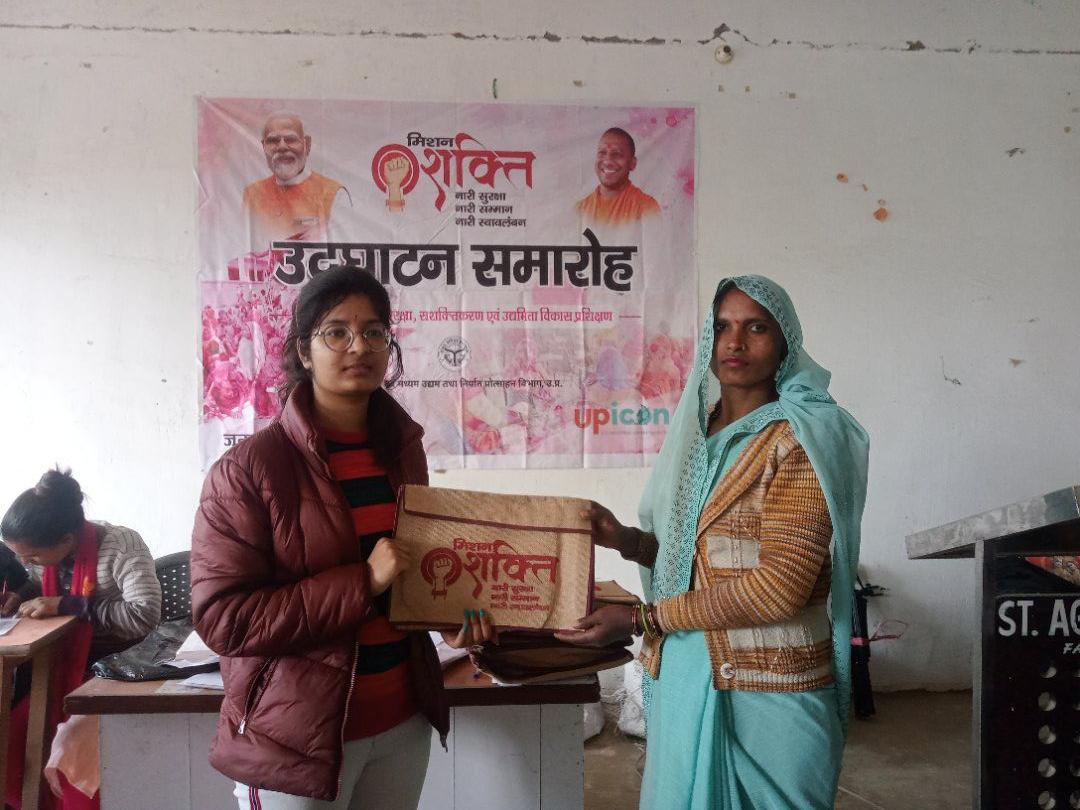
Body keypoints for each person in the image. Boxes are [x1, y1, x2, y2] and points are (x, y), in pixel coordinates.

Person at [556, 275, 870, 809]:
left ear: (785, 341)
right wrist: (627, 540)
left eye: (756, 327)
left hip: (769, 690)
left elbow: (779, 588)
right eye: (722, 327)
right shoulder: (697, 433)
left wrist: (641, 619)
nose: (735, 342)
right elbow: (694, 557)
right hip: (688, 673)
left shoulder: (802, 437)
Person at [191, 266, 495, 810]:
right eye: (336, 332)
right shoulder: (248, 470)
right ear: (303, 351)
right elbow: (223, 619)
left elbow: (408, 571)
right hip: (293, 741)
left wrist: (443, 616)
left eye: (374, 332)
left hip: (402, 722)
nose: (359, 346)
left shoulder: (402, 451)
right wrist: (362, 582)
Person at [2, 468, 162, 809]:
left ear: (65, 541)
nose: (25, 562)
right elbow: (38, 583)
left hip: (116, 670)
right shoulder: (45, 555)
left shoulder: (121, 546)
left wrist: (68, 605)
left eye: (32, 556)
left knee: (73, 756)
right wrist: (20, 595)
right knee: (12, 746)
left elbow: (144, 615)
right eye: (19, 556)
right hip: (60, 666)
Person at [242, 113, 349, 244]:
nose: (282, 147)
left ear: (307, 144)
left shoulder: (334, 193)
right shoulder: (252, 194)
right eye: (273, 141)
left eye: (291, 139)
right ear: (263, 146)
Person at [576, 127, 660, 225]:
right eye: (602, 153)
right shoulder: (581, 209)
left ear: (632, 163)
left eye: (616, 154)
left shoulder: (646, 207)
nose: (607, 161)